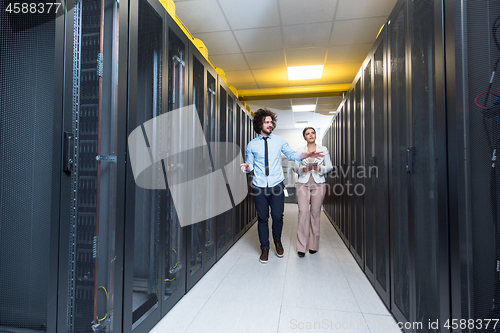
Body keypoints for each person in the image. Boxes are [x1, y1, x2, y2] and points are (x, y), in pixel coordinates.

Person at [240, 109, 324, 263]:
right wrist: (247, 167)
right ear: (260, 123)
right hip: (259, 186)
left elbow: (292, 155)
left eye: (271, 122)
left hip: (277, 184)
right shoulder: (251, 145)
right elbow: (250, 164)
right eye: (267, 122)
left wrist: (307, 154)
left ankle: (277, 241)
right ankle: (264, 248)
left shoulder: (279, 141)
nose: (270, 124)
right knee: (262, 218)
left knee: (278, 216)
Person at [292, 127, 333, 257]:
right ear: (304, 137)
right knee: (303, 213)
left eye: (312, 133)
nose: (311, 135)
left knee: (315, 213)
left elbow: (330, 166)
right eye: (308, 133)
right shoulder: (300, 150)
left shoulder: (323, 149)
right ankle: (301, 247)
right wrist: (301, 170)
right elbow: (294, 167)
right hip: (303, 183)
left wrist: (319, 168)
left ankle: (313, 246)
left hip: (318, 183)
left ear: (315, 135)